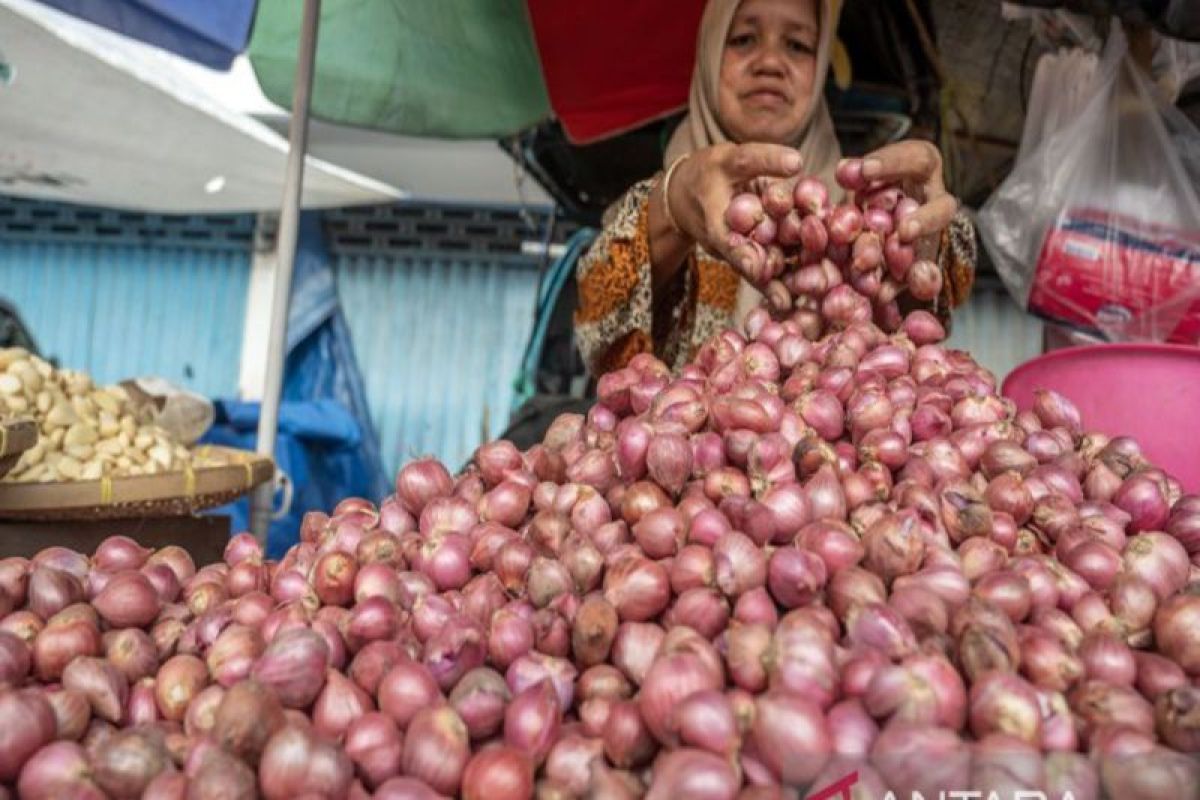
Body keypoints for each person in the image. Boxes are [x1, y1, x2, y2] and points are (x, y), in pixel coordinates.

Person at [574, 0, 977, 377]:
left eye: (798, 45)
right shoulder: (647, 214)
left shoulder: (861, 207)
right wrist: (673, 205)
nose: (770, 63)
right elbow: (596, 337)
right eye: (743, 39)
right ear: (708, 53)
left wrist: (915, 244)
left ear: (821, 65)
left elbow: (917, 335)